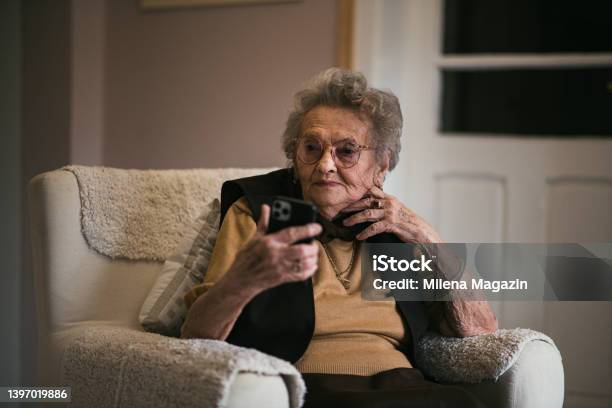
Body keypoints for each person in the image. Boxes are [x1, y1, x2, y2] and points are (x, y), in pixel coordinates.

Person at [181, 68, 498, 407]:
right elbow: (197, 336)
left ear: (382, 165)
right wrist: (245, 278)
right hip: (307, 389)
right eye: (311, 148)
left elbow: (479, 329)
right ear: (294, 157)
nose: (324, 166)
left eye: (346, 151)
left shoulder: (399, 232)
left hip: (405, 387)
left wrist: (426, 236)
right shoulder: (258, 214)